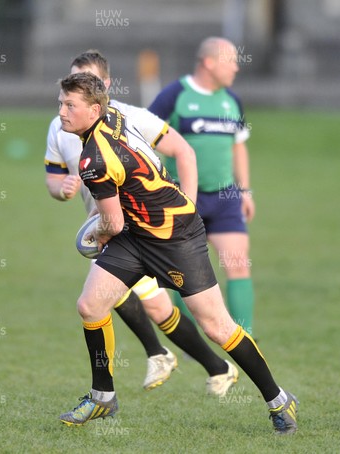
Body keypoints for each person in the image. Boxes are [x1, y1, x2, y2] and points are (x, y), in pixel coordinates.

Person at [57, 72, 298, 434]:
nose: (61, 112)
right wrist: (106, 233)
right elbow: (122, 221)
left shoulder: (93, 160)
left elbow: (112, 224)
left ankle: (279, 399)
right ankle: (102, 396)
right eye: (60, 102)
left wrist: (94, 239)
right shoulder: (114, 117)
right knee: (91, 305)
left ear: (93, 109)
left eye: (69, 105)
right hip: (138, 233)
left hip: (176, 237)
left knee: (217, 327)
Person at [45, 50, 238, 395]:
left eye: (88, 80)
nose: (78, 89)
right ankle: (204, 364)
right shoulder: (61, 124)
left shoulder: (130, 117)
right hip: (112, 229)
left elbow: (183, 151)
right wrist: (64, 189)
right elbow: (54, 180)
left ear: (105, 85)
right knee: (123, 302)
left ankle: (170, 358)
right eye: (74, 80)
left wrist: (189, 206)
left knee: (147, 305)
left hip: (142, 231)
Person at [149, 37, 256, 337]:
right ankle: (189, 339)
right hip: (182, 196)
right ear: (209, 62)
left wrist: (245, 189)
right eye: (230, 60)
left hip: (225, 198)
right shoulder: (174, 95)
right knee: (182, 275)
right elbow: (142, 135)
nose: (236, 67)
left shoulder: (231, 100)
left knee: (238, 264)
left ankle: (245, 337)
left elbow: (239, 147)